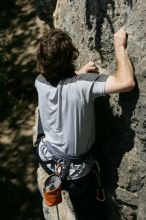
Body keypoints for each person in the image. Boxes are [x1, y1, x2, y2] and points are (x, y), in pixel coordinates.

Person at [34, 28, 135, 220]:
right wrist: (119, 46)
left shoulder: (40, 81)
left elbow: (64, 86)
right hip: (76, 172)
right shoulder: (83, 85)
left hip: (45, 153)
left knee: (42, 112)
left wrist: (79, 74)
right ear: (72, 56)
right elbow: (127, 82)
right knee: (89, 214)